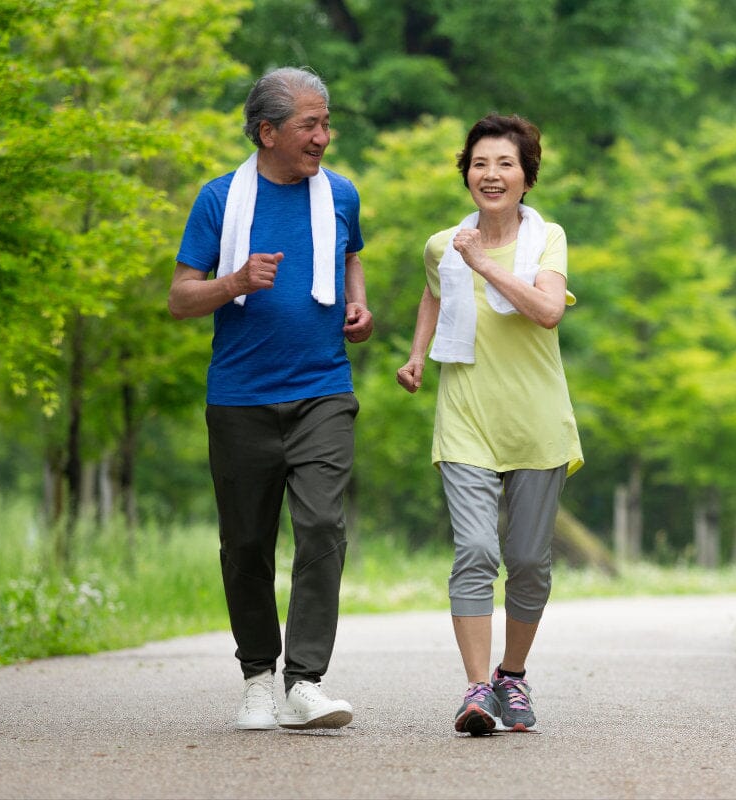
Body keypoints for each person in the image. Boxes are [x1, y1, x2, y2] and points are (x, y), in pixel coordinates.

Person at [168, 66, 373, 732]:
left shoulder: (340, 194)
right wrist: (235, 282)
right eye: (310, 125)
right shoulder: (220, 200)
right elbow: (179, 299)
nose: (324, 135)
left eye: (325, 121)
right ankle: (258, 676)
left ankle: (305, 681)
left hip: (322, 390)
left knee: (321, 527)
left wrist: (359, 302)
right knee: (247, 543)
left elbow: (350, 256)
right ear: (268, 131)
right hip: (239, 399)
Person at [396, 114, 582, 736]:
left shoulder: (547, 238)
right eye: (480, 164)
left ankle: (512, 676)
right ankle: (477, 690)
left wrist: (483, 263)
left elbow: (548, 310)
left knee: (528, 561)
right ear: (466, 174)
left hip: (537, 425)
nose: (491, 175)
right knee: (475, 551)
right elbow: (434, 293)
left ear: (527, 176)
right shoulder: (442, 244)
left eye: (505, 164)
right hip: (466, 418)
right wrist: (418, 354)